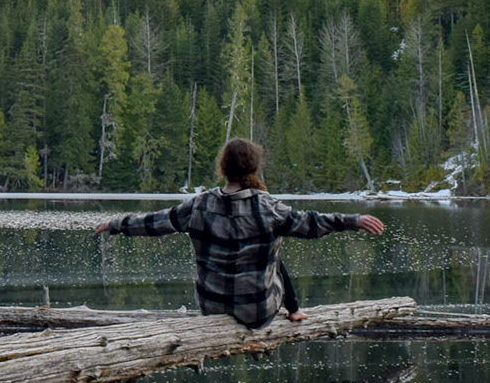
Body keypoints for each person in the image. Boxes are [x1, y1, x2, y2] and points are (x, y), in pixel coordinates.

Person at [96, 137, 384, 327]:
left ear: (223, 168)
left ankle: (291, 308)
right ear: (254, 168)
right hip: (257, 311)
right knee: (273, 254)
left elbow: (155, 222)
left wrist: (116, 225)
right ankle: (295, 310)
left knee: (266, 250)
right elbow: (311, 223)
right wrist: (353, 220)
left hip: (212, 308)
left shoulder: (198, 205)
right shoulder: (267, 207)